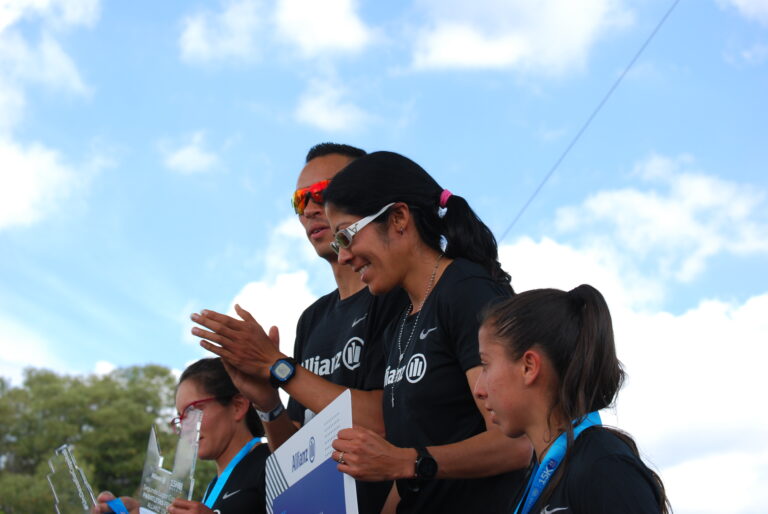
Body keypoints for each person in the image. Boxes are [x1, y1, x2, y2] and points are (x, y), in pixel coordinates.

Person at [190, 143, 407, 513]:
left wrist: (278, 366)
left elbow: (391, 417)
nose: (309, 210)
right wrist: (268, 402)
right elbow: (296, 459)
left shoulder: (397, 294)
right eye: (299, 200)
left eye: (323, 193)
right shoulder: (313, 318)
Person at [321, 151, 532, 513]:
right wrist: (405, 465)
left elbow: (517, 444)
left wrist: (409, 462)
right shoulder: (399, 324)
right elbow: (409, 475)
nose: (343, 257)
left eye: (346, 236)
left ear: (399, 218)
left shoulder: (466, 291)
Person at [474, 284, 671, 514]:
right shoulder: (539, 479)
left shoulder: (605, 468)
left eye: (486, 365)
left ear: (529, 367)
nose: (479, 389)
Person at [93, 357, 269, 514]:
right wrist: (143, 511)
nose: (185, 428)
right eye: (181, 417)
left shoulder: (271, 462)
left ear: (238, 406)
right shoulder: (214, 486)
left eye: (193, 412)